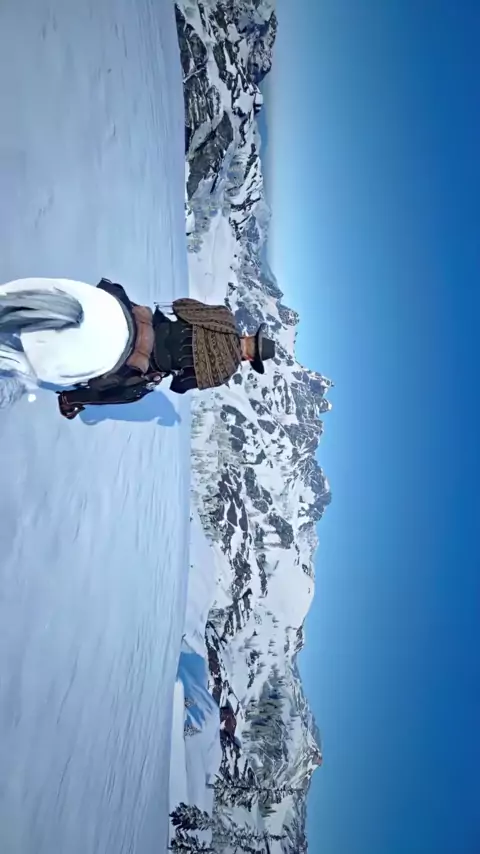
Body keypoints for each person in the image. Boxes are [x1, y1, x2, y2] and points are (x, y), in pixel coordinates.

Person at [0, 277, 275, 420]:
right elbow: (180, 385)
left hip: (149, 323)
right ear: (249, 359)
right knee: (128, 394)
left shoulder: (224, 317)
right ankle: (72, 400)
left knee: (114, 290)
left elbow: (180, 305)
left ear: (250, 336)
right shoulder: (224, 371)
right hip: (147, 360)